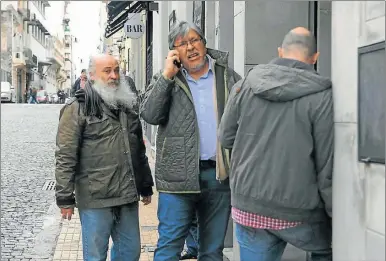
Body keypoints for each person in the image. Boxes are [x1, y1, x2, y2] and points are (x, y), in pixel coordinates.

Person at [218, 27, 333, 261]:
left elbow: (225, 138)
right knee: (325, 250)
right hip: (300, 211)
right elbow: (326, 165)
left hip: (249, 204)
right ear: (315, 57)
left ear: (280, 51)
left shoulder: (245, 85)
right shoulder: (322, 95)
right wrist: (334, 215)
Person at [140, 21, 241, 261]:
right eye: (182, 43)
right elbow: (150, 115)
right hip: (177, 178)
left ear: (205, 44)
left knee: (212, 251)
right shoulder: (166, 79)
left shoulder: (226, 76)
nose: (191, 47)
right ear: (174, 52)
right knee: (168, 248)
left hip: (217, 176)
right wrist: (166, 76)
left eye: (195, 40)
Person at [55, 54, 154, 261]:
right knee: (95, 256)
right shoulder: (77, 108)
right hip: (95, 198)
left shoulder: (126, 105)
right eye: (107, 71)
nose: (114, 76)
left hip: (127, 194)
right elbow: (65, 155)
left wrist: (145, 184)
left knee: (130, 253)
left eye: (117, 70)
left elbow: (138, 149)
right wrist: (65, 197)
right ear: (92, 76)